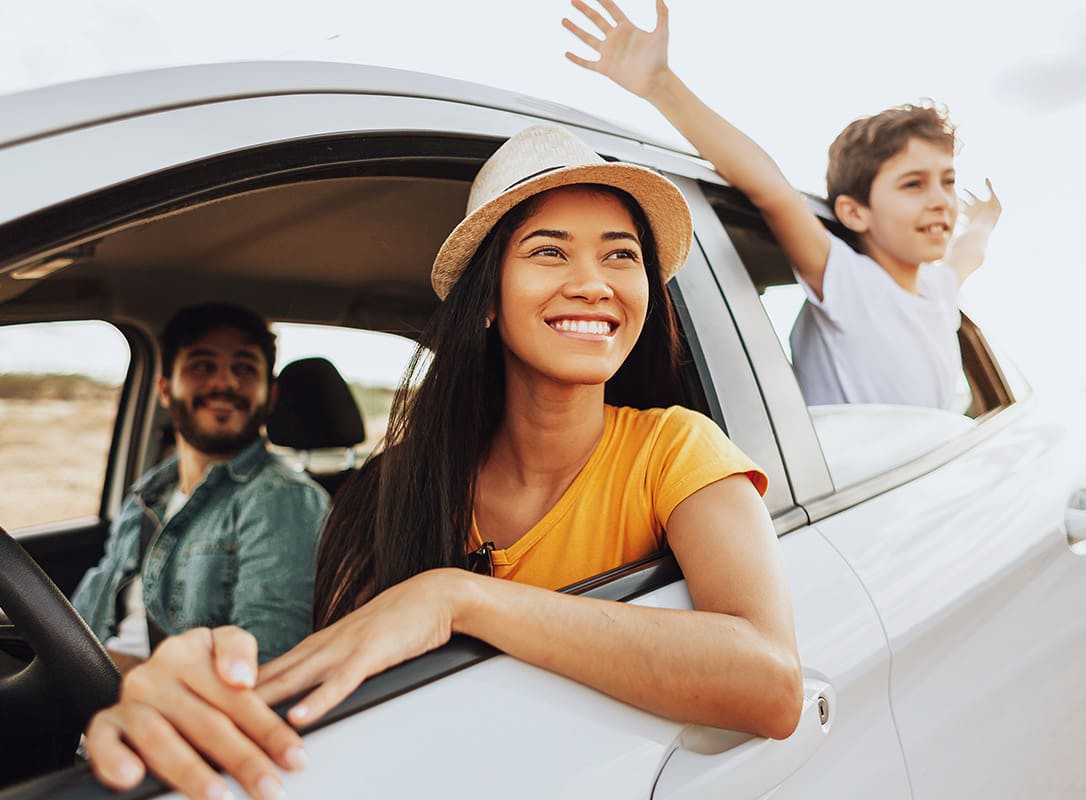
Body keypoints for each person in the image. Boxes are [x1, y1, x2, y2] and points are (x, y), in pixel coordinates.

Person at [83, 125, 803, 800]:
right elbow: (325, 680)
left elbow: (770, 683)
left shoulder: (676, 448)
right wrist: (180, 698)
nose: (594, 282)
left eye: (622, 254)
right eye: (550, 251)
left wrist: (458, 597)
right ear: (486, 297)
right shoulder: (398, 483)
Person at [563, 0, 1002, 409]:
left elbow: (971, 250)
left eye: (947, 182)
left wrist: (985, 218)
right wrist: (661, 86)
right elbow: (770, 189)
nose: (940, 201)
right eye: (913, 184)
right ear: (854, 213)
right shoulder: (850, 283)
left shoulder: (940, 290)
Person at [71, 303, 329, 672]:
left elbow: (264, 665)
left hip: (164, 718)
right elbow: (84, 617)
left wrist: (101, 668)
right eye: (202, 366)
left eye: (244, 368)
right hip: (84, 701)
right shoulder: (146, 495)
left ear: (269, 396)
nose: (224, 384)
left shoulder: (282, 499)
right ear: (165, 389)